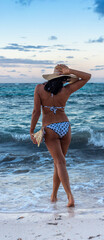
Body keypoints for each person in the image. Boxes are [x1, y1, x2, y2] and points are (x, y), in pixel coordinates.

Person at [30, 64, 91, 207]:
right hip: (65, 126)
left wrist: (32, 131)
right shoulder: (67, 89)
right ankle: (54, 196)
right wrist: (70, 72)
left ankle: (70, 197)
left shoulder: (39, 88)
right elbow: (88, 77)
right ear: (64, 79)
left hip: (50, 128)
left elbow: (36, 112)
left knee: (59, 163)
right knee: (59, 163)